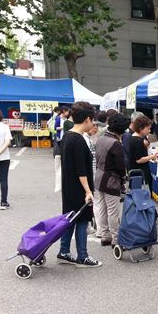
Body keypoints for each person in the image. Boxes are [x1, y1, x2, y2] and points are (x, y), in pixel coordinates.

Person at [57, 101, 102, 268]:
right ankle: (82, 256)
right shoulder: (78, 140)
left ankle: (64, 251)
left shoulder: (67, 136)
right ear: (87, 119)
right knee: (82, 220)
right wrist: (88, 191)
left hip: (69, 187)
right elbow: (81, 171)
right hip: (79, 189)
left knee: (70, 219)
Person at [94, 113, 128, 247]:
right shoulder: (116, 144)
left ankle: (105, 235)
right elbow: (120, 166)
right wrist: (124, 178)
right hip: (111, 180)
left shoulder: (101, 138)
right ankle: (116, 239)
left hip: (99, 177)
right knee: (113, 211)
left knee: (102, 208)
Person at [0, 106, 13, 209]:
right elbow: (7, 142)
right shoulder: (4, 127)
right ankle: (4, 202)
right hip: (4, 156)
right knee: (3, 179)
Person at [53, 106, 70, 192]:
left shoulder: (67, 119)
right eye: (67, 111)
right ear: (64, 111)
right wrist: (63, 128)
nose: (68, 113)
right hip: (60, 138)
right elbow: (55, 128)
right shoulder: (58, 118)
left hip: (65, 138)